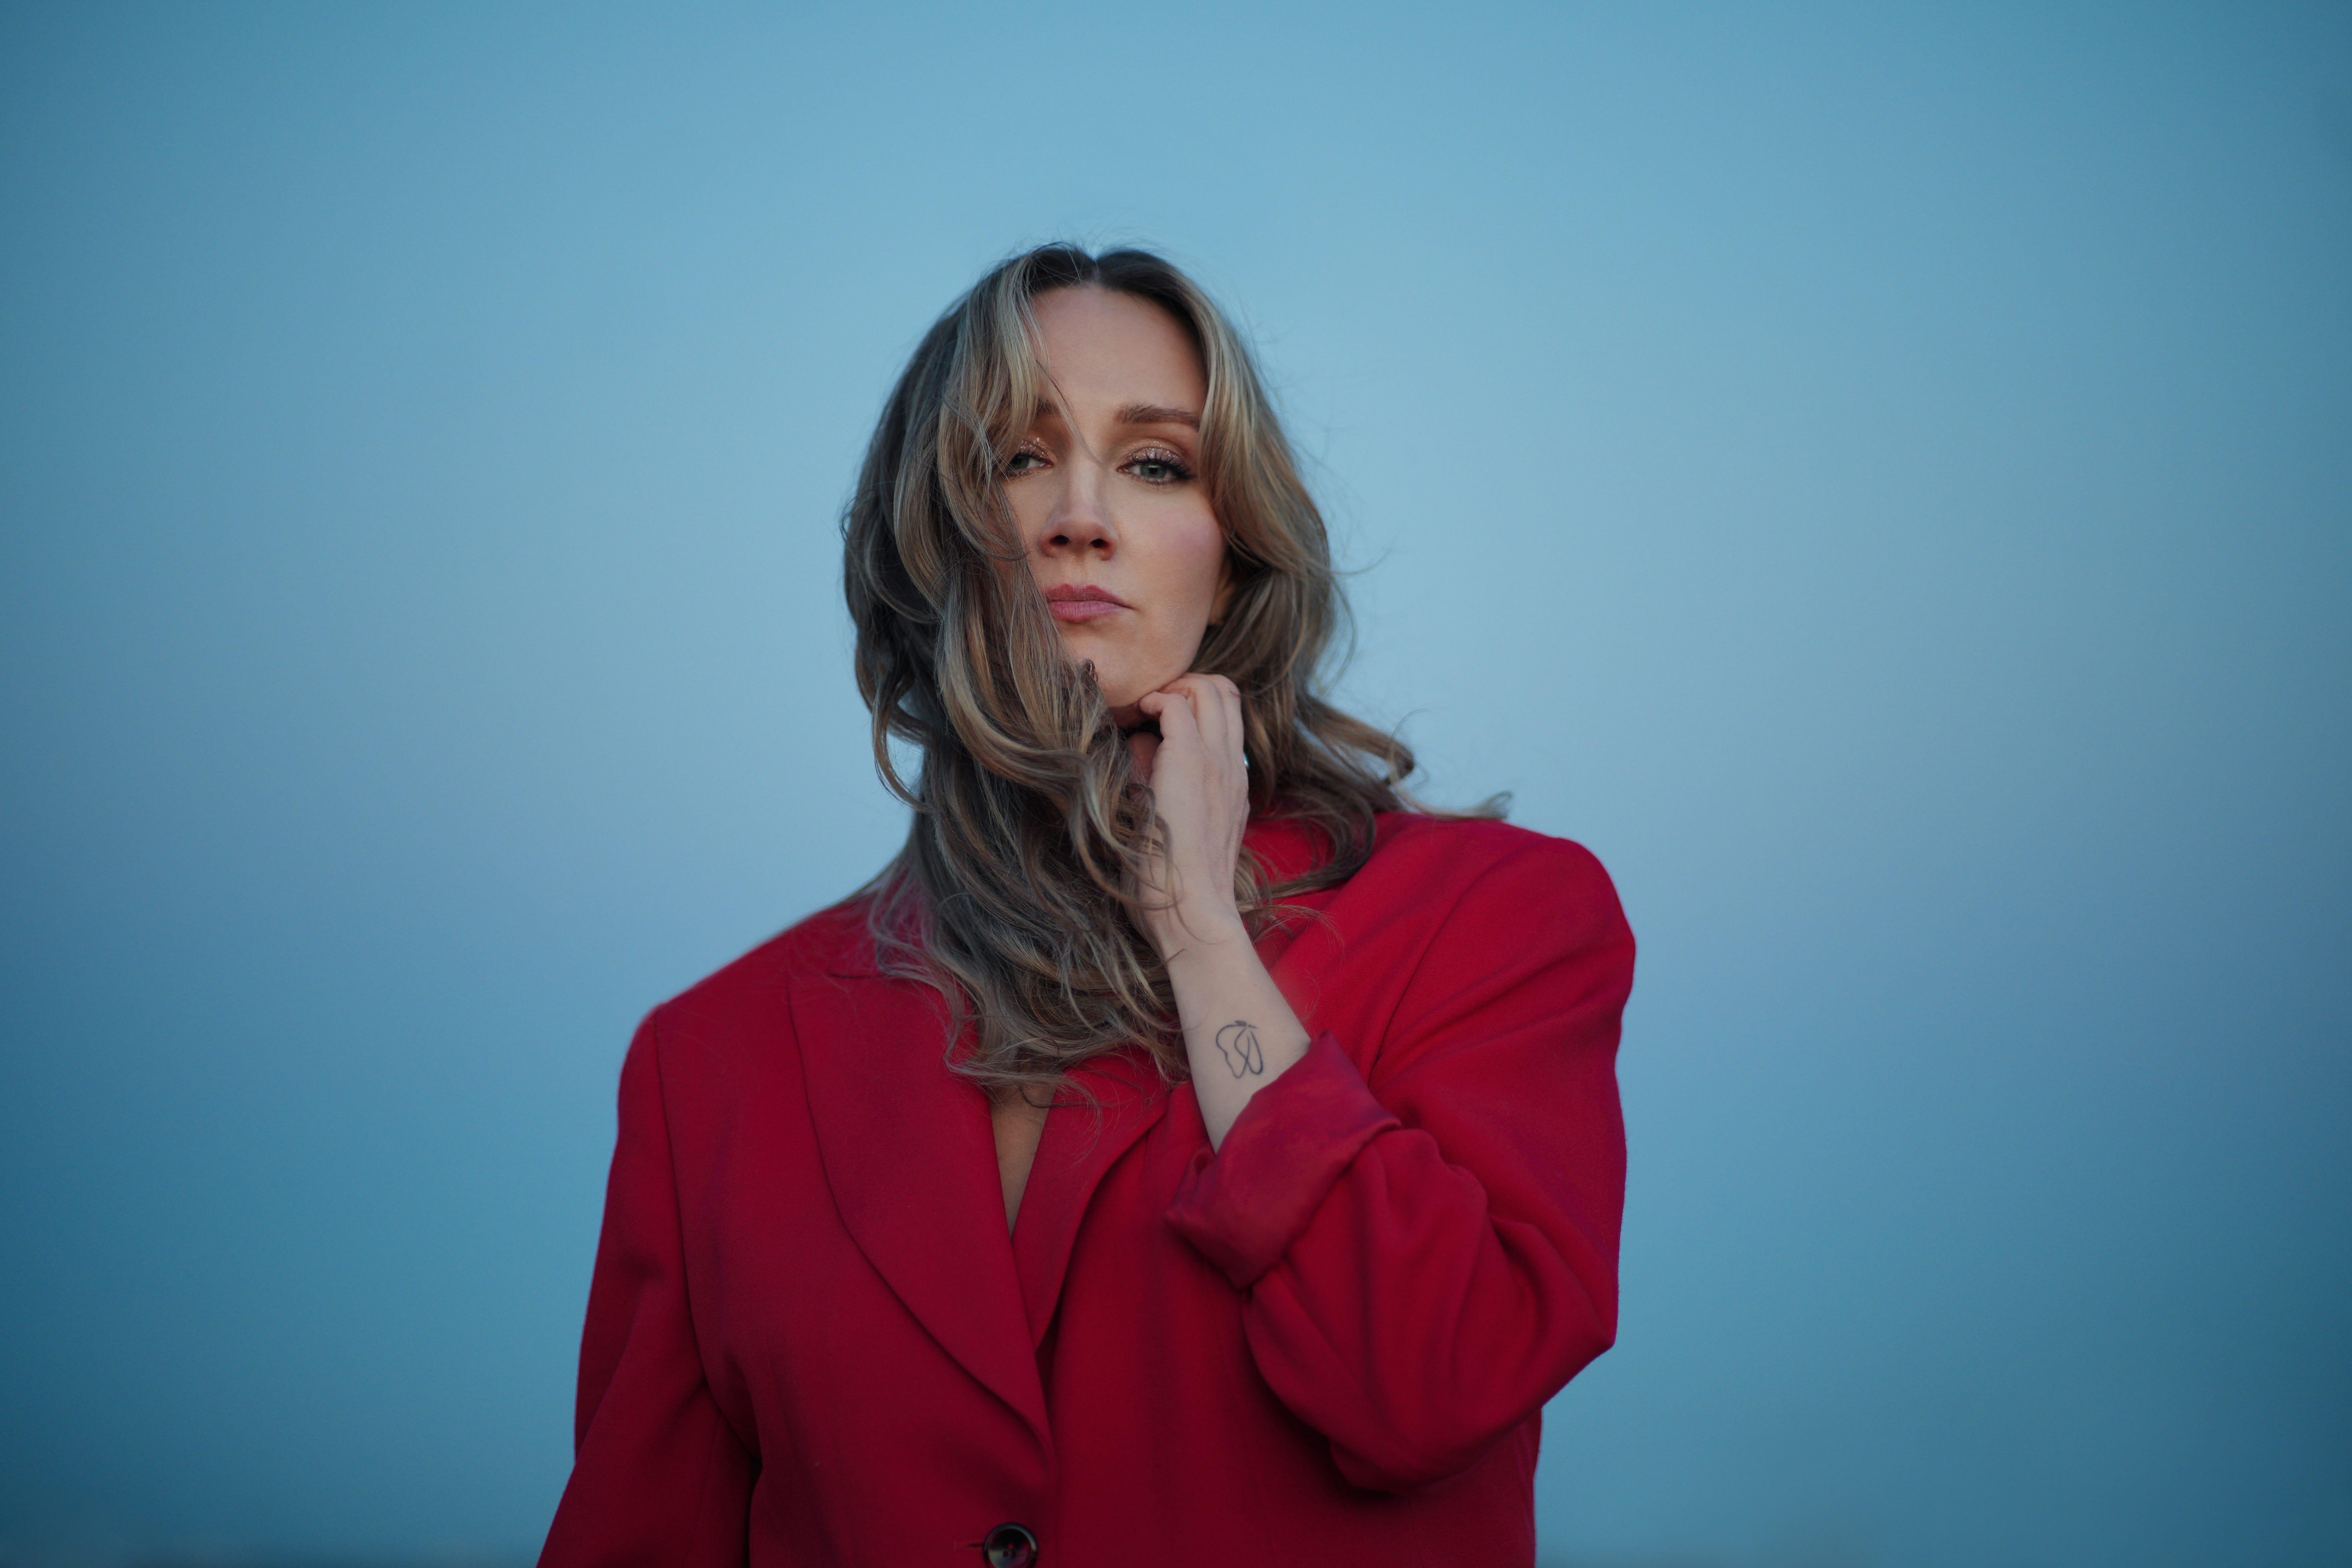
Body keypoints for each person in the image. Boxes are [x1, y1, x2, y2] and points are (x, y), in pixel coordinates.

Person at [537, 245, 1635, 1567]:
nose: (1079, 515)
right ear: (928, 535)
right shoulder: (710, 1062)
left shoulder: (1495, 921)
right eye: (1017, 457)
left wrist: (1201, 930)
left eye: (1156, 464)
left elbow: (1431, 1383)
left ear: (1236, 558)